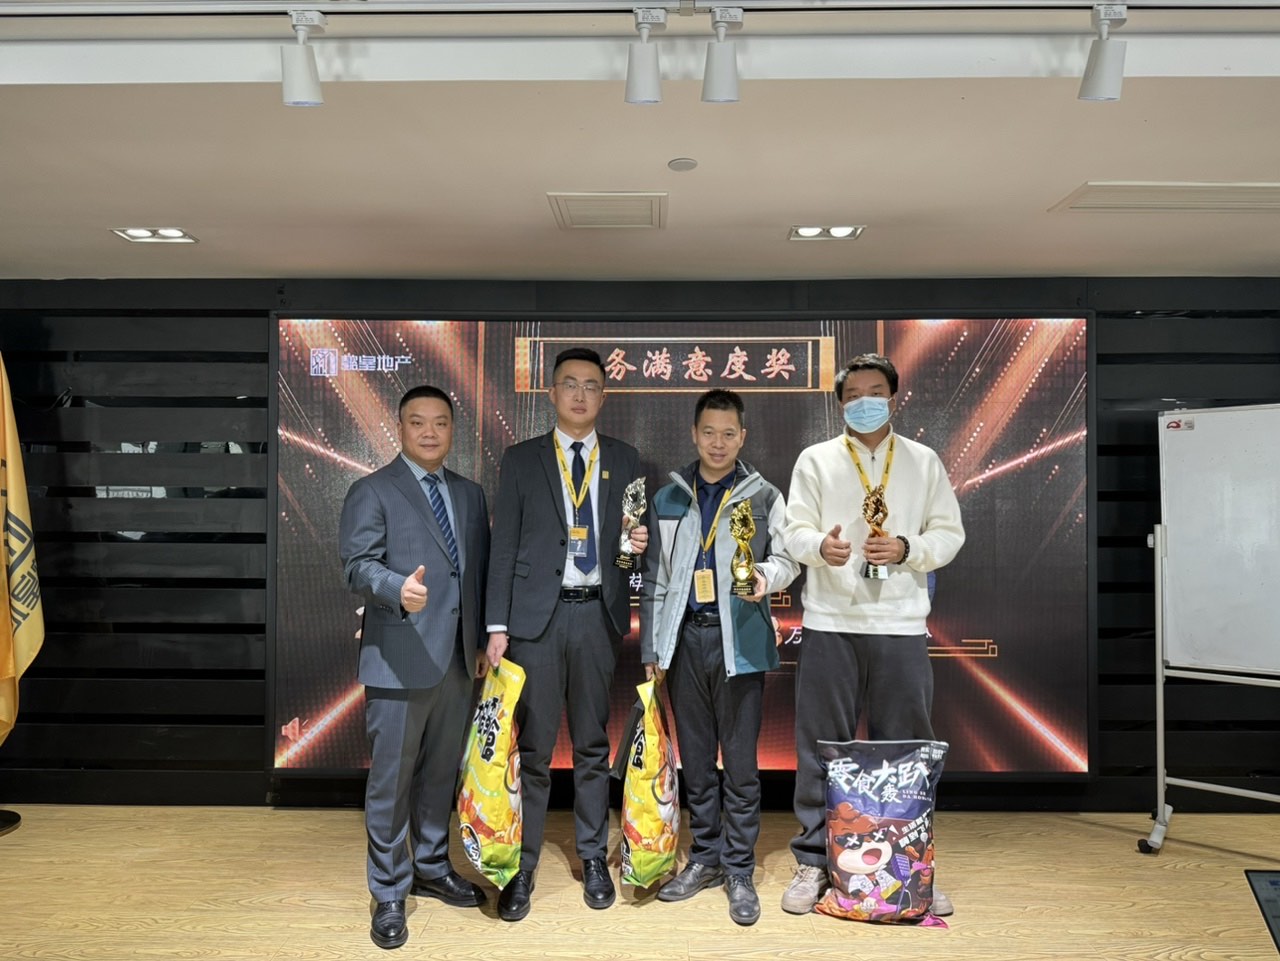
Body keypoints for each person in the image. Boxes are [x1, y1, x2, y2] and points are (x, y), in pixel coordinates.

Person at [780, 353, 965, 918]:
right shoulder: (815, 459)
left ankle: (911, 867)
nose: (865, 402)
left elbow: (949, 533)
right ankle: (815, 861)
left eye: (875, 392)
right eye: (854, 395)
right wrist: (820, 547)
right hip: (829, 621)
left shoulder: (923, 461)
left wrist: (907, 549)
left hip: (900, 624)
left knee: (904, 750)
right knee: (821, 748)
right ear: (840, 404)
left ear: (894, 398)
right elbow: (794, 531)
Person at [484, 347, 649, 923]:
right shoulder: (521, 458)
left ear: (604, 395)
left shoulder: (625, 459)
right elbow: (503, 546)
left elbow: (630, 547)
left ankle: (592, 855)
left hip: (596, 616)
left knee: (592, 745)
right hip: (536, 620)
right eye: (570, 385)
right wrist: (497, 626)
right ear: (552, 394)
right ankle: (522, 865)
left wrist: (635, 548)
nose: (580, 395)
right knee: (532, 749)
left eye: (591, 386)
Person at [639, 389, 799, 926]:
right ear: (694, 433)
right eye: (708, 432)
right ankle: (705, 858)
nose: (718, 443)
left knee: (742, 768)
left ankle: (739, 868)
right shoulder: (669, 498)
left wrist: (765, 577)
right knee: (697, 763)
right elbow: (656, 578)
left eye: (728, 434)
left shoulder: (764, 496)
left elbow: (788, 560)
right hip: (686, 641)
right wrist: (653, 647)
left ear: (743, 437)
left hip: (741, 645)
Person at [338, 385, 490, 950]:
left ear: (452, 430)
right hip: (399, 658)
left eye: (440, 423)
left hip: (458, 659)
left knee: (439, 773)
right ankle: (388, 890)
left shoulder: (470, 494)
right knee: (391, 780)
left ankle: (430, 864)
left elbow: (476, 574)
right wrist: (395, 588)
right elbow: (357, 565)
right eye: (418, 422)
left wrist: (479, 640)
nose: (430, 432)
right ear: (399, 428)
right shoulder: (372, 490)